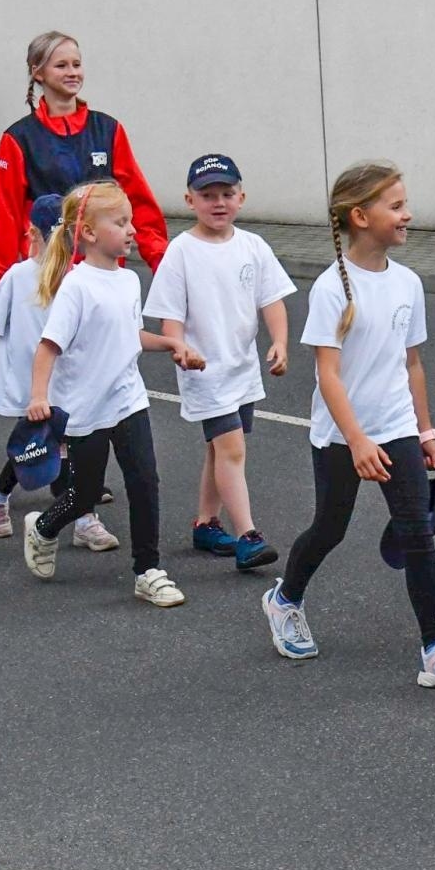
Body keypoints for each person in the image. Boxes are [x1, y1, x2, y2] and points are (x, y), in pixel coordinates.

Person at [261, 160, 435, 690]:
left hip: (397, 428)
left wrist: (425, 431)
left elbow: (411, 364)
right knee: (330, 528)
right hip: (343, 435)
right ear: (360, 216)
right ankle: (285, 598)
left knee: (418, 534)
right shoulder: (330, 289)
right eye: (397, 206)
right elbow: (328, 375)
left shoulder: (408, 283)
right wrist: (357, 439)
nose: (409, 214)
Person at [22, 181, 196, 605]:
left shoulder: (129, 281)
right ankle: (43, 527)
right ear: (90, 234)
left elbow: (130, 335)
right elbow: (49, 345)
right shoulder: (77, 286)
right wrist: (38, 396)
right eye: (121, 223)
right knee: (84, 493)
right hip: (84, 408)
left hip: (128, 400)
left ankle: (148, 570)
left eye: (130, 221)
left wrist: (170, 343)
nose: (132, 230)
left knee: (144, 482)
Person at [144, 154, 294, 571]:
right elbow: (169, 316)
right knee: (231, 448)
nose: (218, 202)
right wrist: (178, 348)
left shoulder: (253, 246)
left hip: (241, 368)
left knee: (219, 449)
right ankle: (248, 535)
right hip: (204, 371)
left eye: (227, 194)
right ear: (189, 200)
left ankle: (207, 522)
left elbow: (272, 299)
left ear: (241, 197)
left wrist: (279, 342)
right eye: (207, 195)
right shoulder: (181, 252)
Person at [0, 193, 118, 550]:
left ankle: (74, 514)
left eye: (67, 237)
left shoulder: (79, 277)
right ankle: (2, 496)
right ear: (33, 235)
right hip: (32, 381)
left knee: (62, 446)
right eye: (54, 237)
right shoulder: (20, 276)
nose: (63, 246)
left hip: (69, 380)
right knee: (40, 446)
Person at [0, 32, 167, 279]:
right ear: (38, 72)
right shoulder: (18, 138)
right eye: (61, 65)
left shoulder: (108, 129)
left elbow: (138, 200)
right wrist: (4, 281)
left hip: (104, 271)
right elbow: (5, 217)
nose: (72, 72)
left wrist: (161, 261)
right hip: (48, 275)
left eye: (77, 64)